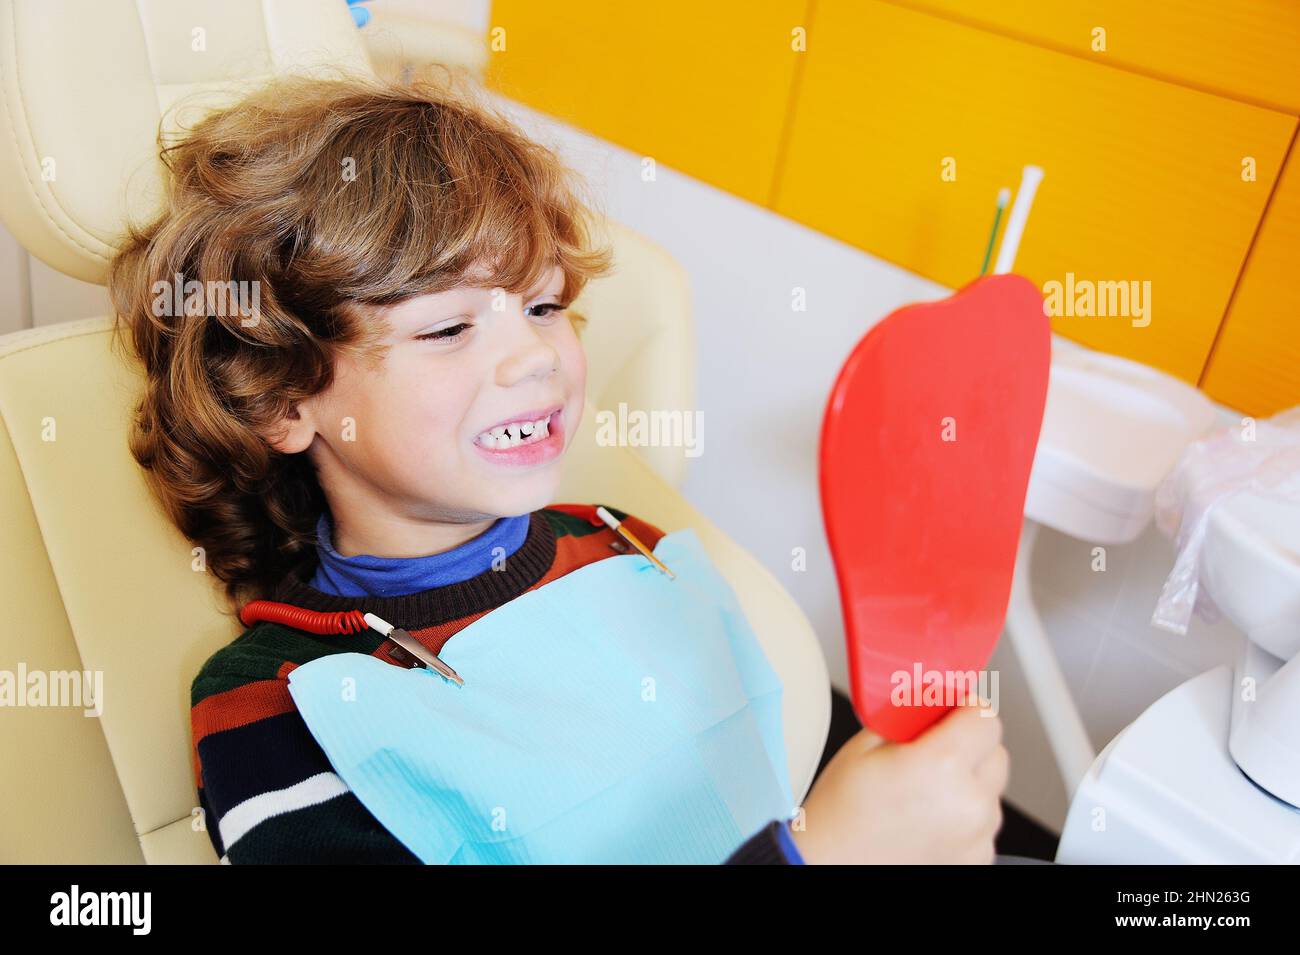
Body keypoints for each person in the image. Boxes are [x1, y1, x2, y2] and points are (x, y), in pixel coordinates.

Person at [108, 70, 1008, 865]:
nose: (536, 357)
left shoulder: (631, 548)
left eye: (543, 305)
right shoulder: (274, 707)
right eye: (449, 327)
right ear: (284, 400)